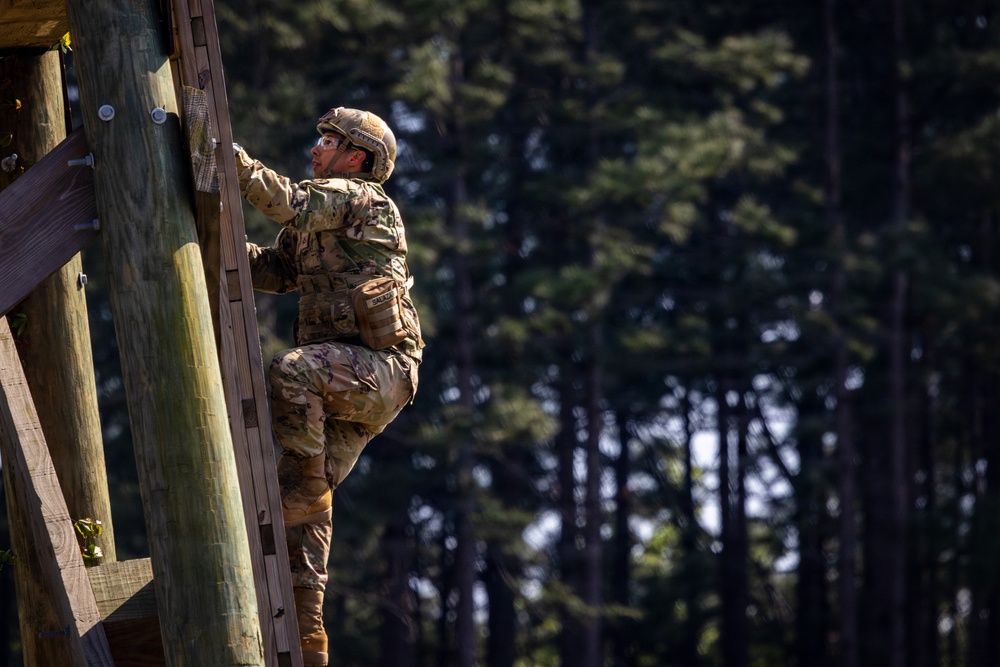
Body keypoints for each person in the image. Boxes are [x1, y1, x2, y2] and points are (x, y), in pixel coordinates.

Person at [235, 107, 423, 667]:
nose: (314, 148)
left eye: (328, 140)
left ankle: (304, 495)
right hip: (344, 381)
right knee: (293, 498)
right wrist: (208, 243)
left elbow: (285, 200)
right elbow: (275, 271)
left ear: (355, 158)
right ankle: (306, 642)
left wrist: (226, 155)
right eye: (319, 138)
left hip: (380, 369)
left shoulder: (360, 200)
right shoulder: (316, 225)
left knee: (291, 370)